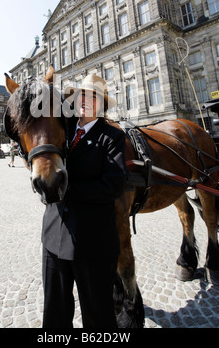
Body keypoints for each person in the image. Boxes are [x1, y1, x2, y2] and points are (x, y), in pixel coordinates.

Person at [41, 73, 127, 328]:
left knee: (98, 316)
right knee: (54, 314)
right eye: (82, 95)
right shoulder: (63, 130)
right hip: (53, 237)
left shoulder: (111, 136)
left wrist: (65, 188)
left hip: (92, 243)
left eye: (93, 97)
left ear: (102, 105)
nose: (86, 101)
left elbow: (112, 185)